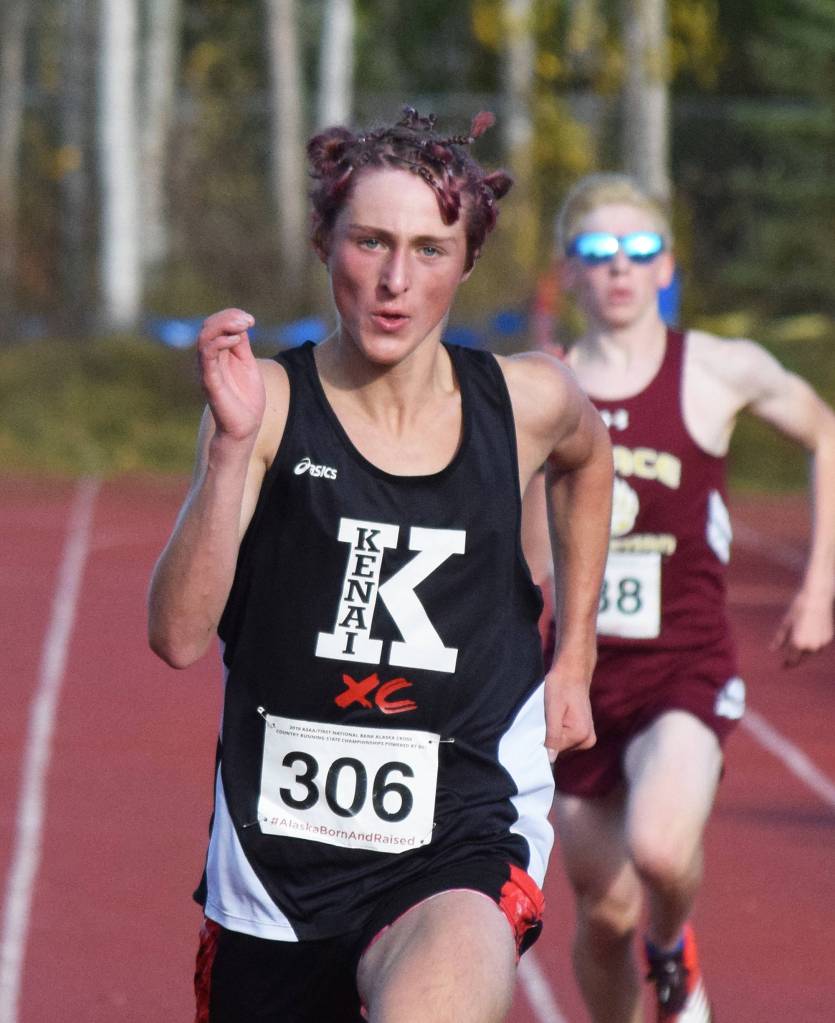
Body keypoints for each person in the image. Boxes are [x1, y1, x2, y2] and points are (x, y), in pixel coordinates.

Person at [147, 108, 614, 1023]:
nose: (397, 280)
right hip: (278, 865)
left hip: (458, 833)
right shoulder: (267, 405)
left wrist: (577, 657)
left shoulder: (527, 401)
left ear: (467, 263)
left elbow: (587, 461)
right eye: (371, 241)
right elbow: (175, 637)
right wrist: (231, 452)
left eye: (430, 250)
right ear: (326, 244)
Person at [523, 172, 835, 1023]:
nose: (619, 268)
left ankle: (672, 945)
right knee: (600, 911)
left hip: (682, 668)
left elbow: (824, 432)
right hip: (576, 679)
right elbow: (517, 546)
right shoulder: (541, 388)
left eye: (638, 250)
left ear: (666, 267)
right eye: (597, 251)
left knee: (660, 853)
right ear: (570, 272)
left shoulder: (717, 369)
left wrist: (820, 587)